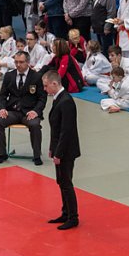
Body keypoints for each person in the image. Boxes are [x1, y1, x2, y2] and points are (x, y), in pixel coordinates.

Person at [42, 69, 80, 229]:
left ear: (54, 84)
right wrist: (52, 148)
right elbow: (55, 129)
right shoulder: (59, 99)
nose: (45, 89)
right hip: (60, 148)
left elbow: (66, 131)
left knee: (66, 183)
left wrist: (59, 153)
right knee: (61, 181)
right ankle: (65, 212)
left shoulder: (66, 102)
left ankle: (73, 217)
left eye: (46, 86)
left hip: (66, 150)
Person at [0, 51, 46, 165]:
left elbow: (42, 98)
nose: (18, 65)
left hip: (29, 112)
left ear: (28, 62)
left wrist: (36, 111)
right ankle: (2, 154)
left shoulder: (36, 77)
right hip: (12, 111)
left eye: (21, 62)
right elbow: (2, 95)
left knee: (35, 125)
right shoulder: (9, 76)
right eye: (16, 62)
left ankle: (37, 155)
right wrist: (2, 108)